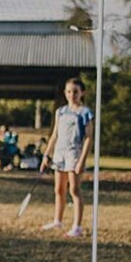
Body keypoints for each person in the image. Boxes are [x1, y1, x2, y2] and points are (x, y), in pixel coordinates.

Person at [39, 77, 93, 238]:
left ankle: (77, 226)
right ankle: (58, 221)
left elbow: (89, 137)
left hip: (74, 154)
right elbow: (54, 135)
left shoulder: (85, 113)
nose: (72, 95)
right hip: (59, 154)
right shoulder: (60, 112)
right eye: (69, 91)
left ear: (82, 93)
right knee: (59, 189)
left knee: (74, 190)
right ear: (65, 93)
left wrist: (81, 160)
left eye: (75, 92)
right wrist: (46, 155)